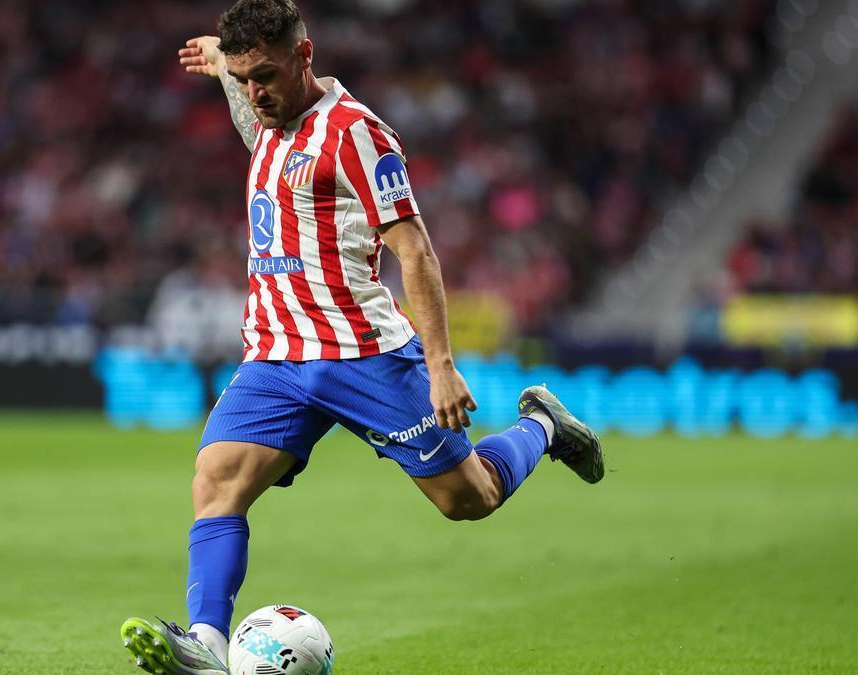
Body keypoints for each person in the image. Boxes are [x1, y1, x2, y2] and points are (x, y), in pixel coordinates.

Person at [121, 1, 603, 672]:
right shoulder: (262, 120)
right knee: (215, 482)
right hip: (278, 356)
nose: (254, 92)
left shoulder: (357, 134)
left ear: (305, 56)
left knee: (468, 498)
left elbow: (417, 252)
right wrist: (222, 62)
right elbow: (244, 96)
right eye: (243, 78)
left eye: (265, 73)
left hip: (364, 353)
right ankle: (206, 640)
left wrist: (440, 365)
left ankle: (541, 425)